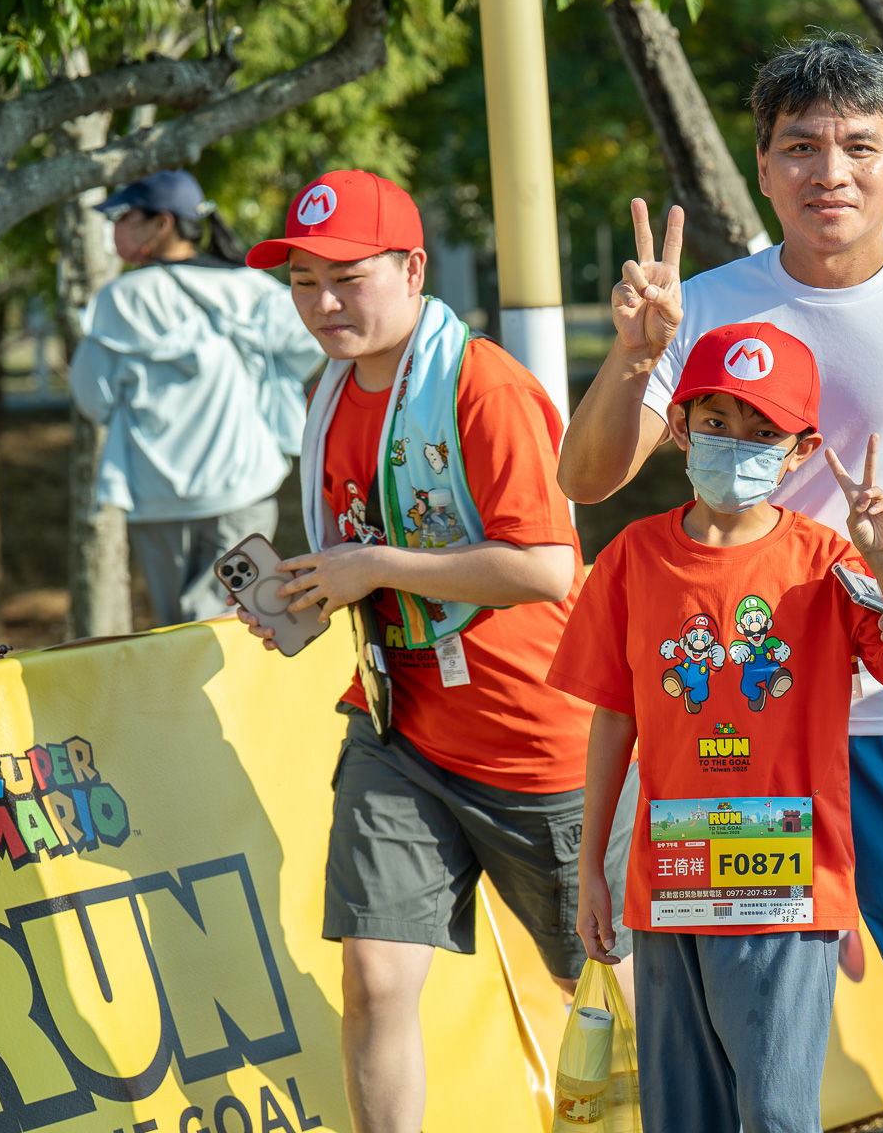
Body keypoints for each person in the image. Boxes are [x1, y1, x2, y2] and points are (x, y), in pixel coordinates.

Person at [558, 33, 883, 1131]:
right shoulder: (697, 308)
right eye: (800, 147)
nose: (829, 171)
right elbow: (588, 479)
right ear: (763, 165)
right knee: (737, 1071)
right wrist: (637, 353)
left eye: (857, 147)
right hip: (731, 743)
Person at [233, 170, 639, 1133]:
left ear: (414, 269)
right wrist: (315, 591)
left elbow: (546, 567)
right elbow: (372, 550)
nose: (323, 304)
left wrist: (373, 564)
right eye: (302, 283)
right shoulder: (331, 392)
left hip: (536, 743)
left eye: (347, 278)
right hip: (398, 728)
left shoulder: (484, 384)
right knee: (374, 977)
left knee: (611, 989)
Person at [552, 321, 883, 1132]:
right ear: (679, 426)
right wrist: (593, 865)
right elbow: (613, 719)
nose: (737, 445)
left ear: (801, 452)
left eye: (764, 433)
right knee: (682, 1116)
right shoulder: (630, 557)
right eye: (717, 422)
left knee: (773, 1112)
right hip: (670, 878)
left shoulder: (828, 561)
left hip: (784, 886)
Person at [70, 169, 323, 625]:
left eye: (124, 217)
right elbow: (311, 341)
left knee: (178, 631)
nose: (115, 229)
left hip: (156, 496)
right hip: (244, 487)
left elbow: (94, 397)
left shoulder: (118, 300)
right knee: (243, 623)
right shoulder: (248, 287)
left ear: (161, 223)